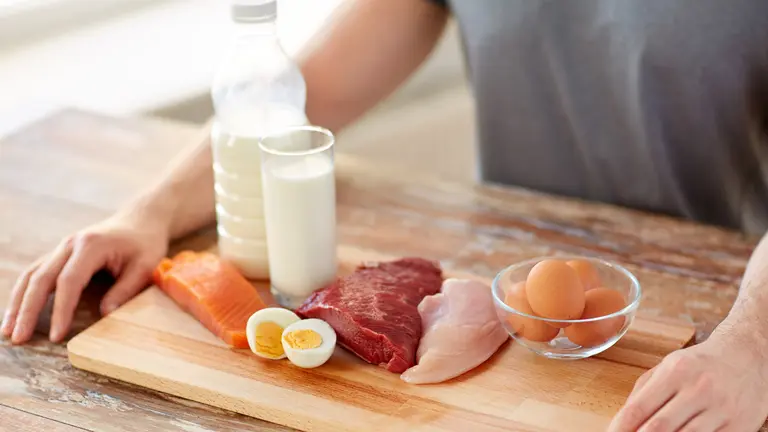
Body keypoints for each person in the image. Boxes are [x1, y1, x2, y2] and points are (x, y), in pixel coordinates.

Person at [3, 0, 768, 430]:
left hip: (723, 300)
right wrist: (151, 210)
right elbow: (307, 91)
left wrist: (753, 344)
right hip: (509, 294)